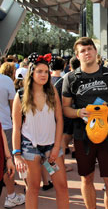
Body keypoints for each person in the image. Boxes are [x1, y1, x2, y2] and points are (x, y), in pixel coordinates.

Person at [62, 37, 108, 209]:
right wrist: (79, 112)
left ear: (95, 51)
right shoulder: (71, 78)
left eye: (89, 49)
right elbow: (65, 109)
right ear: (77, 55)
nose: (87, 53)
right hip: (83, 137)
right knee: (87, 179)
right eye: (82, 51)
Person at [12, 53, 69, 209]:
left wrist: (57, 147)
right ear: (32, 73)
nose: (43, 75)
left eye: (46, 71)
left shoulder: (52, 92)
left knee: (62, 187)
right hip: (30, 147)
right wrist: (17, 154)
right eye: (39, 71)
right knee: (33, 188)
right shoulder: (21, 95)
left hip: (52, 147)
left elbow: (59, 120)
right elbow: (16, 127)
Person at [0, 71, 25, 208]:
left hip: (4, 126)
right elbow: (13, 106)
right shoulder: (6, 80)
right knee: (7, 162)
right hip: (5, 126)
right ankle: (11, 196)